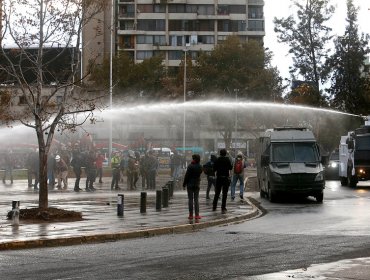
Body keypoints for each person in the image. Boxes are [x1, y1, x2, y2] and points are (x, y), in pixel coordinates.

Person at [212, 148, 233, 214]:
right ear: (225, 153)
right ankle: (223, 207)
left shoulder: (217, 159)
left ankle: (214, 206)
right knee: (225, 194)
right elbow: (230, 167)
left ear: (220, 153)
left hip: (219, 178)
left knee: (217, 193)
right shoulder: (227, 159)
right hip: (225, 178)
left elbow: (214, 169)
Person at [183, 154, 203, 220]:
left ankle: (191, 215)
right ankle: (197, 215)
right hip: (197, 184)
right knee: (196, 200)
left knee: (190, 200)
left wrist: (184, 184)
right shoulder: (200, 166)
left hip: (190, 185)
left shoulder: (190, 166)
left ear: (193, 159)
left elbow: (187, 176)